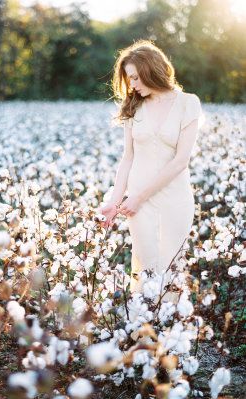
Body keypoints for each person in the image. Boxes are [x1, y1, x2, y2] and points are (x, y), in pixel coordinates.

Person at [99, 39, 204, 301]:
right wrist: (115, 201)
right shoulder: (134, 106)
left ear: (151, 70)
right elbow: (127, 158)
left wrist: (138, 197)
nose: (131, 85)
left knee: (172, 266)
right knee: (144, 265)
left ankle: (170, 331)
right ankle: (143, 330)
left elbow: (181, 161)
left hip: (174, 199)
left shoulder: (188, 103)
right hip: (138, 203)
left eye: (135, 77)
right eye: (128, 79)